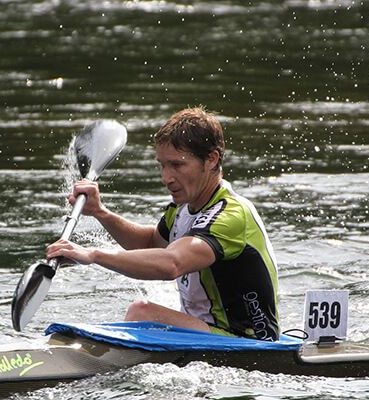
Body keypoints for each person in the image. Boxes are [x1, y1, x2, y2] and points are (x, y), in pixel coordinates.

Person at [46, 107, 280, 341]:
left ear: (211, 159)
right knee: (143, 313)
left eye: (177, 165)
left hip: (250, 341)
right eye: (162, 165)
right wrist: (101, 213)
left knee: (143, 312)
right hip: (209, 331)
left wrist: (93, 255)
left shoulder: (231, 215)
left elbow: (172, 264)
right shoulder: (182, 209)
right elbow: (150, 244)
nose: (166, 178)